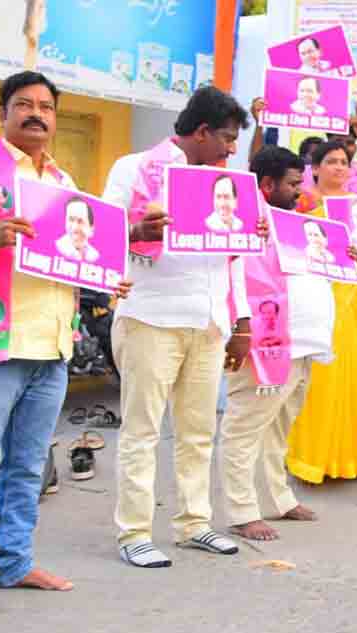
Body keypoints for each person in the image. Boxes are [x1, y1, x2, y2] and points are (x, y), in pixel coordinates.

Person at [0, 70, 128, 619]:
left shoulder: (63, 182)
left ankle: (16, 562)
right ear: (2, 111)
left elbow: (69, 256)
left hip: (51, 348)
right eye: (23, 104)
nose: (35, 114)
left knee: (25, 467)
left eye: (45, 107)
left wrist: (105, 276)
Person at [104, 85, 256, 568]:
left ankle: (194, 523)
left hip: (208, 321)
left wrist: (243, 320)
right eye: (227, 138)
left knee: (197, 431)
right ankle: (134, 532)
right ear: (202, 131)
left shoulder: (226, 182)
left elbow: (235, 260)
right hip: (151, 316)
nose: (231, 149)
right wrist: (135, 231)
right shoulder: (133, 169)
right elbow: (99, 230)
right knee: (143, 431)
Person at [285, 106, 357, 484]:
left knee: (352, 377)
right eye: (332, 161)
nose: (339, 167)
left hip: (350, 299)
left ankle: (352, 458)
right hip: (312, 296)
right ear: (314, 168)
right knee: (319, 379)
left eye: (344, 162)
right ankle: (309, 459)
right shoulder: (302, 204)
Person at [218, 145, 330, 542]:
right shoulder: (246, 220)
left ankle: (279, 498)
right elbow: (235, 275)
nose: (301, 191)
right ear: (266, 185)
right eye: (293, 183)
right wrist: (242, 329)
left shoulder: (292, 222)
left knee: (280, 427)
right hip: (268, 340)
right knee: (245, 425)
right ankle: (241, 510)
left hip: (303, 342)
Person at [55, 197, 99, 262]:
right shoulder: (58, 247)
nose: (74, 227)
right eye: (71, 220)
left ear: (91, 230)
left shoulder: (94, 255)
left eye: (80, 221)